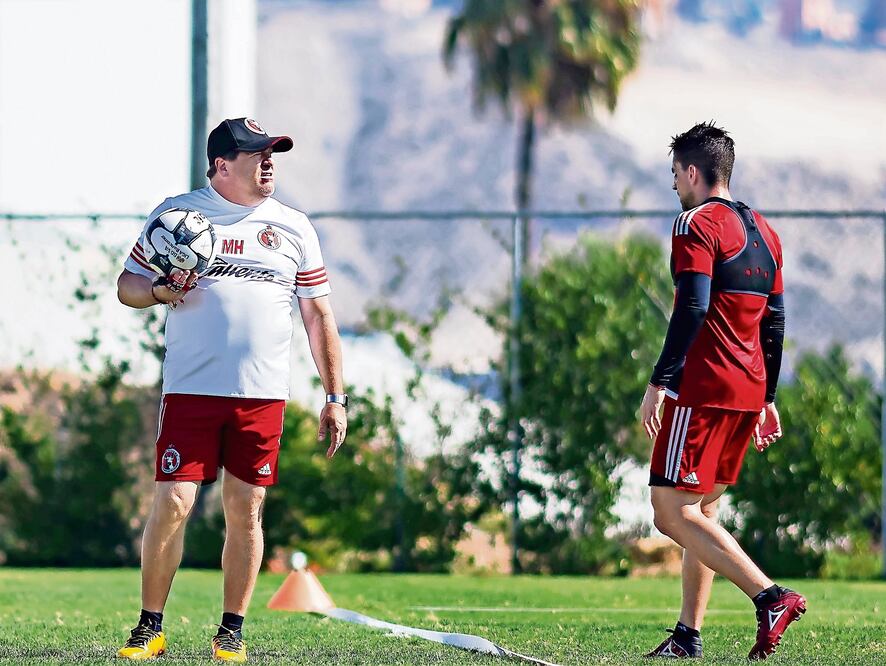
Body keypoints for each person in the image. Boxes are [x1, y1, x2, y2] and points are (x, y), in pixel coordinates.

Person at [116, 117, 348, 662]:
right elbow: (127, 287)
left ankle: (231, 633)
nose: (268, 162)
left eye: (272, 153)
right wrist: (157, 289)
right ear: (221, 164)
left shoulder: (293, 227)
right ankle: (150, 628)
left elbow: (317, 315)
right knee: (174, 501)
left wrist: (335, 396)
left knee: (246, 510)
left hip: (261, 394)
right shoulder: (178, 215)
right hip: (191, 391)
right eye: (255, 153)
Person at [639, 122, 804, 661]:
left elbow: (692, 305)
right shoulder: (765, 232)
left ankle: (769, 596)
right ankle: (688, 636)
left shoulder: (694, 223)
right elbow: (774, 321)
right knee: (701, 513)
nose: (674, 188)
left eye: (675, 176)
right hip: (748, 387)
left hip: (705, 386)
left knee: (669, 511)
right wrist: (769, 398)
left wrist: (660, 382)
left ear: (692, 172)